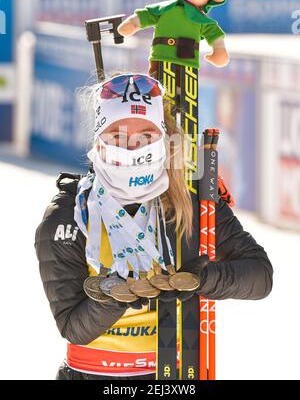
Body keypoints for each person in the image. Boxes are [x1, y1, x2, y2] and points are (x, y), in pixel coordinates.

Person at [34, 73, 273, 380]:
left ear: (163, 139)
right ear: (99, 141)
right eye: (118, 137)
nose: (132, 149)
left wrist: (202, 279)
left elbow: (260, 276)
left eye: (145, 137)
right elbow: (73, 328)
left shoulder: (190, 200)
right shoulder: (71, 213)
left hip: (173, 374)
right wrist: (112, 297)